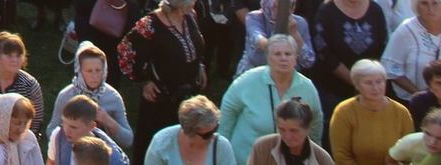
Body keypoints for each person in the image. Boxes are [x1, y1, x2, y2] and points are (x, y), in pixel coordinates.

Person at [119, 0, 208, 156]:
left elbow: (196, 43)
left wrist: (200, 64)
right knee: (157, 141)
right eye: (191, 1)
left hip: (189, 90)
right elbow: (125, 51)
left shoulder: (190, 16)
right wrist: (143, 80)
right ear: (180, 4)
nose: (194, 4)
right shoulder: (150, 24)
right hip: (162, 96)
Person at [217, 36, 323, 164]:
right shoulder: (246, 81)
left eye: (288, 54)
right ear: (267, 58)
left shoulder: (307, 88)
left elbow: (315, 125)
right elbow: (226, 119)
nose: (283, 58)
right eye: (277, 54)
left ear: (296, 58)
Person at [51, 41, 132, 153]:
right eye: (89, 71)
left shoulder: (113, 97)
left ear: (104, 70)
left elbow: (128, 140)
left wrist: (107, 120)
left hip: (104, 155)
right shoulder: (66, 96)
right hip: (71, 152)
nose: (94, 76)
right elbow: (51, 130)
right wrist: (71, 129)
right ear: (79, 71)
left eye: (98, 70)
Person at [327, 59, 411, 165]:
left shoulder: (401, 112)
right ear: (357, 85)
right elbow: (341, 156)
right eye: (368, 83)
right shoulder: (344, 111)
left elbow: (408, 153)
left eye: (379, 81)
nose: (375, 88)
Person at [139, 96, 233, 165]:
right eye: (207, 134)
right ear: (188, 132)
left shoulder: (222, 146)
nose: (213, 137)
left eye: (216, 128)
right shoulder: (161, 143)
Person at [247, 99, 331, 165]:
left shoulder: (322, 159)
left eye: (294, 131)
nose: (287, 137)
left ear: (307, 129)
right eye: (282, 129)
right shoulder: (262, 148)